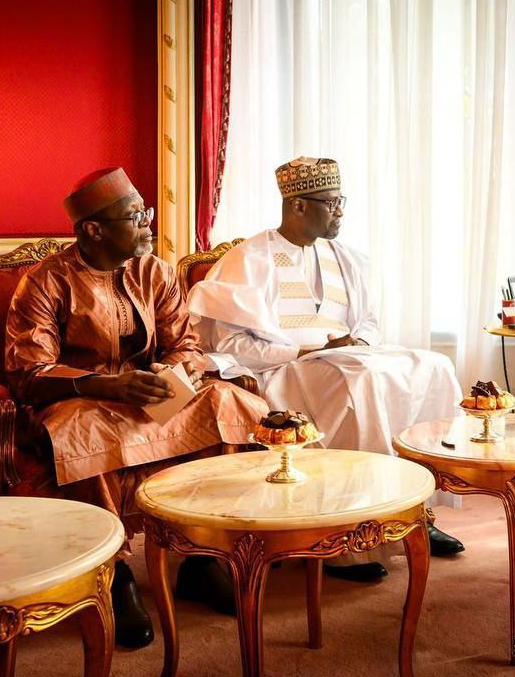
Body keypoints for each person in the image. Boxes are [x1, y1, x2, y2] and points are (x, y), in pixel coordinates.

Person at [5, 166, 269, 647]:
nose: (148, 223)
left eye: (145, 211)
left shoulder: (156, 272)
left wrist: (172, 373)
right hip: (83, 403)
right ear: (93, 230)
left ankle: (203, 556)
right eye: (134, 216)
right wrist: (106, 386)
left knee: (230, 403)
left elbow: (184, 344)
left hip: (152, 397)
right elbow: (29, 370)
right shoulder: (45, 282)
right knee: (82, 431)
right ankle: (114, 572)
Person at [186, 156, 466, 580]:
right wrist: (307, 351)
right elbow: (228, 343)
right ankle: (348, 539)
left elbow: (368, 321)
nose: (340, 212)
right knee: (361, 382)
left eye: (341, 202)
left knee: (433, 365)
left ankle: (415, 513)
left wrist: (358, 343)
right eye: (332, 203)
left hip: (348, 359)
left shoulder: (347, 258)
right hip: (283, 369)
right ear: (298, 205)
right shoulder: (249, 259)